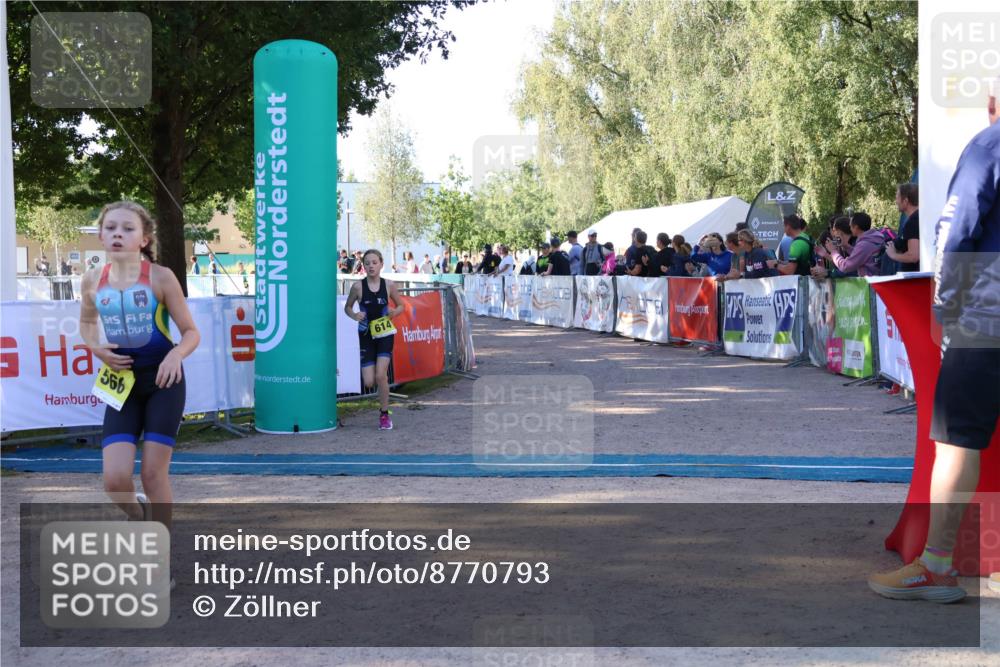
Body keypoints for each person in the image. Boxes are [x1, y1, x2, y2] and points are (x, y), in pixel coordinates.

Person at [868, 81, 1000, 603]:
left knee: (955, 442)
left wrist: (943, 308)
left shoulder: (990, 144)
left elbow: (956, 227)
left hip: (987, 318)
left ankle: (937, 567)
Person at [79, 201, 200, 574]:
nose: (118, 233)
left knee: (151, 473)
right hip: (123, 385)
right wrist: (97, 350)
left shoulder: (161, 277)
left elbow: (191, 332)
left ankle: (158, 562)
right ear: (100, 235)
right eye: (110, 227)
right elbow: (86, 326)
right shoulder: (91, 280)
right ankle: (140, 515)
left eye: (127, 228)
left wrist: (176, 355)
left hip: (164, 381)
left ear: (143, 238)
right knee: (114, 480)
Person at [344, 249, 405, 430]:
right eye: (367, 263)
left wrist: (394, 312)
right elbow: (347, 307)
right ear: (363, 266)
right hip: (366, 335)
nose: (371, 266)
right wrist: (355, 315)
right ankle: (381, 401)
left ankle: (385, 415)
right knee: (369, 381)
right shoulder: (357, 287)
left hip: (385, 334)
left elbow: (401, 305)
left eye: (374, 262)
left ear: (381, 264)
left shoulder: (389, 285)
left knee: (381, 375)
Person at [816, 212, 883, 277]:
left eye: (851, 226)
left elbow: (845, 267)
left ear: (856, 227)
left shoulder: (864, 245)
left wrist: (833, 252)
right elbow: (861, 255)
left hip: (870, 284)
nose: (850, 229)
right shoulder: (873, 238)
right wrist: (846, 246)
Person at [887, 182, 920, 272]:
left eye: (897, 197)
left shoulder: (913, 222)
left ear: (905, 201)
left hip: (914, 280)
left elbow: (914, 256)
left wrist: (893, 254)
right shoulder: (919, 218)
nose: (896, 201)